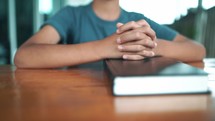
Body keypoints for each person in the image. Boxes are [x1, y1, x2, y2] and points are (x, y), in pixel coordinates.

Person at [14, 0, 206, 68]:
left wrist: (152, 46)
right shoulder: (71, 15)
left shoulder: (138, 20)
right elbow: (24, 56)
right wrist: (102, 48)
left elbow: (197, 50)